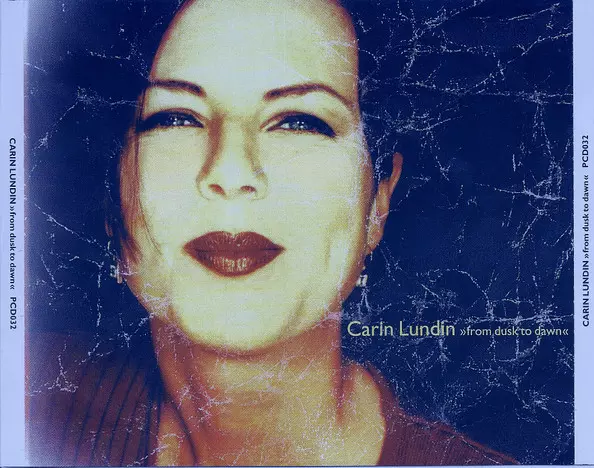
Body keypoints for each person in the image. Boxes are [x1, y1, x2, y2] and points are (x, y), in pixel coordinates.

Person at [27, 0, 517, 465]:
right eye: (175, 117)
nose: (231, 170)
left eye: (300, 122)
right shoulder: (24, 397)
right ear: (113, 193)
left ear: (377, 204)